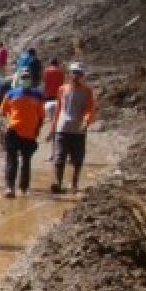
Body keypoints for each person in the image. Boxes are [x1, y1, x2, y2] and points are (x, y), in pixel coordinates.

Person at [48, 61, 95, 194]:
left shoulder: (87, 91)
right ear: (69, 74)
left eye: (79, 74)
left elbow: (89, 108)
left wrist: (86, 121)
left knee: (77, 158)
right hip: (62, 128)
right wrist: (53, 127)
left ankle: (74, 182)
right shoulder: (62, 89)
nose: (76, 76)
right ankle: (57, 182)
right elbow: (58, 108)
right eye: (74, 73)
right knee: (59, 156)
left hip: (78, 129)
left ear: (82, 75)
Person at [0, 69, 45, 198]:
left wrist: (37, 130)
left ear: (31, 79)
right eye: (23, 77)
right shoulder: (11, 93)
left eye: (27, 77)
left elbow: (41, 116)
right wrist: (6, 126)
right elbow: (2, 111)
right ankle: (10, 188)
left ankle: (24, 188)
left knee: (26, 161)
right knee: (12, 160)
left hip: (30, 133)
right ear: (19, 79)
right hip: (13, 130)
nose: (25, 80)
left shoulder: (38, 95)